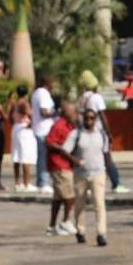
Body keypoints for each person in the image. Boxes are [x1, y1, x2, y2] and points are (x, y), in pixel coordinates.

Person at [69, 104, 110, 247]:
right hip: (80, 174)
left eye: (92, 118)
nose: (88, 121)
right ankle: (80, 230)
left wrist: (109, 171)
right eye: (86, 118)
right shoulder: (76, 134)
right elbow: (66, 151)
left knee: (99, 203)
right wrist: (75, 161)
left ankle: (101, 233)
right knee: (80, 204)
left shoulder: (101, 134)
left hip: (98, 173)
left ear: (95, 119)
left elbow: (105, 153)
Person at [43, 100, 78, 236]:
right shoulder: (60, 125)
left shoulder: (70, 126)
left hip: (64, 163)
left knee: (58, 197)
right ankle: (66, 222)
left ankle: (52, 226)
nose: (75, 114)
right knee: (69, 195)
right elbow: (49, 141)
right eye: (73, 112)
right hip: (59, 164)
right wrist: (63, 150)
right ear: (66, 113)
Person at [30, 75, 58, 191]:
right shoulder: (43, 93)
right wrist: (57, 113)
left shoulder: (36, 92)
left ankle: (41, 181)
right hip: (44, 129)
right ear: (47, 83)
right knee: (44, 156)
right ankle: (43, 182)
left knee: (41, 156)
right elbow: (44, 112)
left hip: (39, 128)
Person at [10, 92, 37, 192]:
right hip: (24, 128)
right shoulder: (23, 103)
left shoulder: (15, 103)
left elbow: (9, 116)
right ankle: (26, 183)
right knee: (25, 157)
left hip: (16, 127)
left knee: (17, 156)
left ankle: (17, 183)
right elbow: (29, 113)